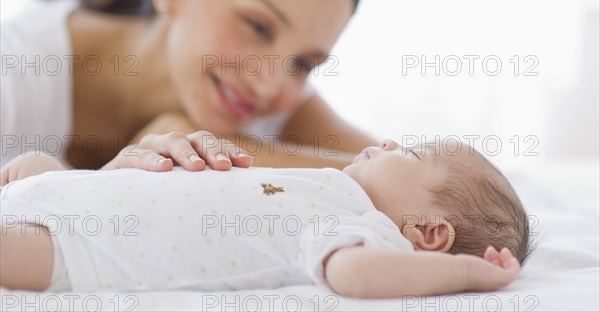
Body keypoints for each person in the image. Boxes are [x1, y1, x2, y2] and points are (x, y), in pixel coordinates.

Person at [0, 0, 377, 171]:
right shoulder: (17, 67)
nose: (267, 86)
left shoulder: (271, 102)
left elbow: (417, 189)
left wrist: (193, 136)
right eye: (258, 27)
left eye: (303, 63)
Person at [0, 138, 531, 297]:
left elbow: (351, 275)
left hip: (84, 247)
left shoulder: (368, 231)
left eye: (411, 154)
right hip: (79, 190)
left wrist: (466, 275)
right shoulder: (333, 189)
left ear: (429, 232)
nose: (389, 142)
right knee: (35, 165)